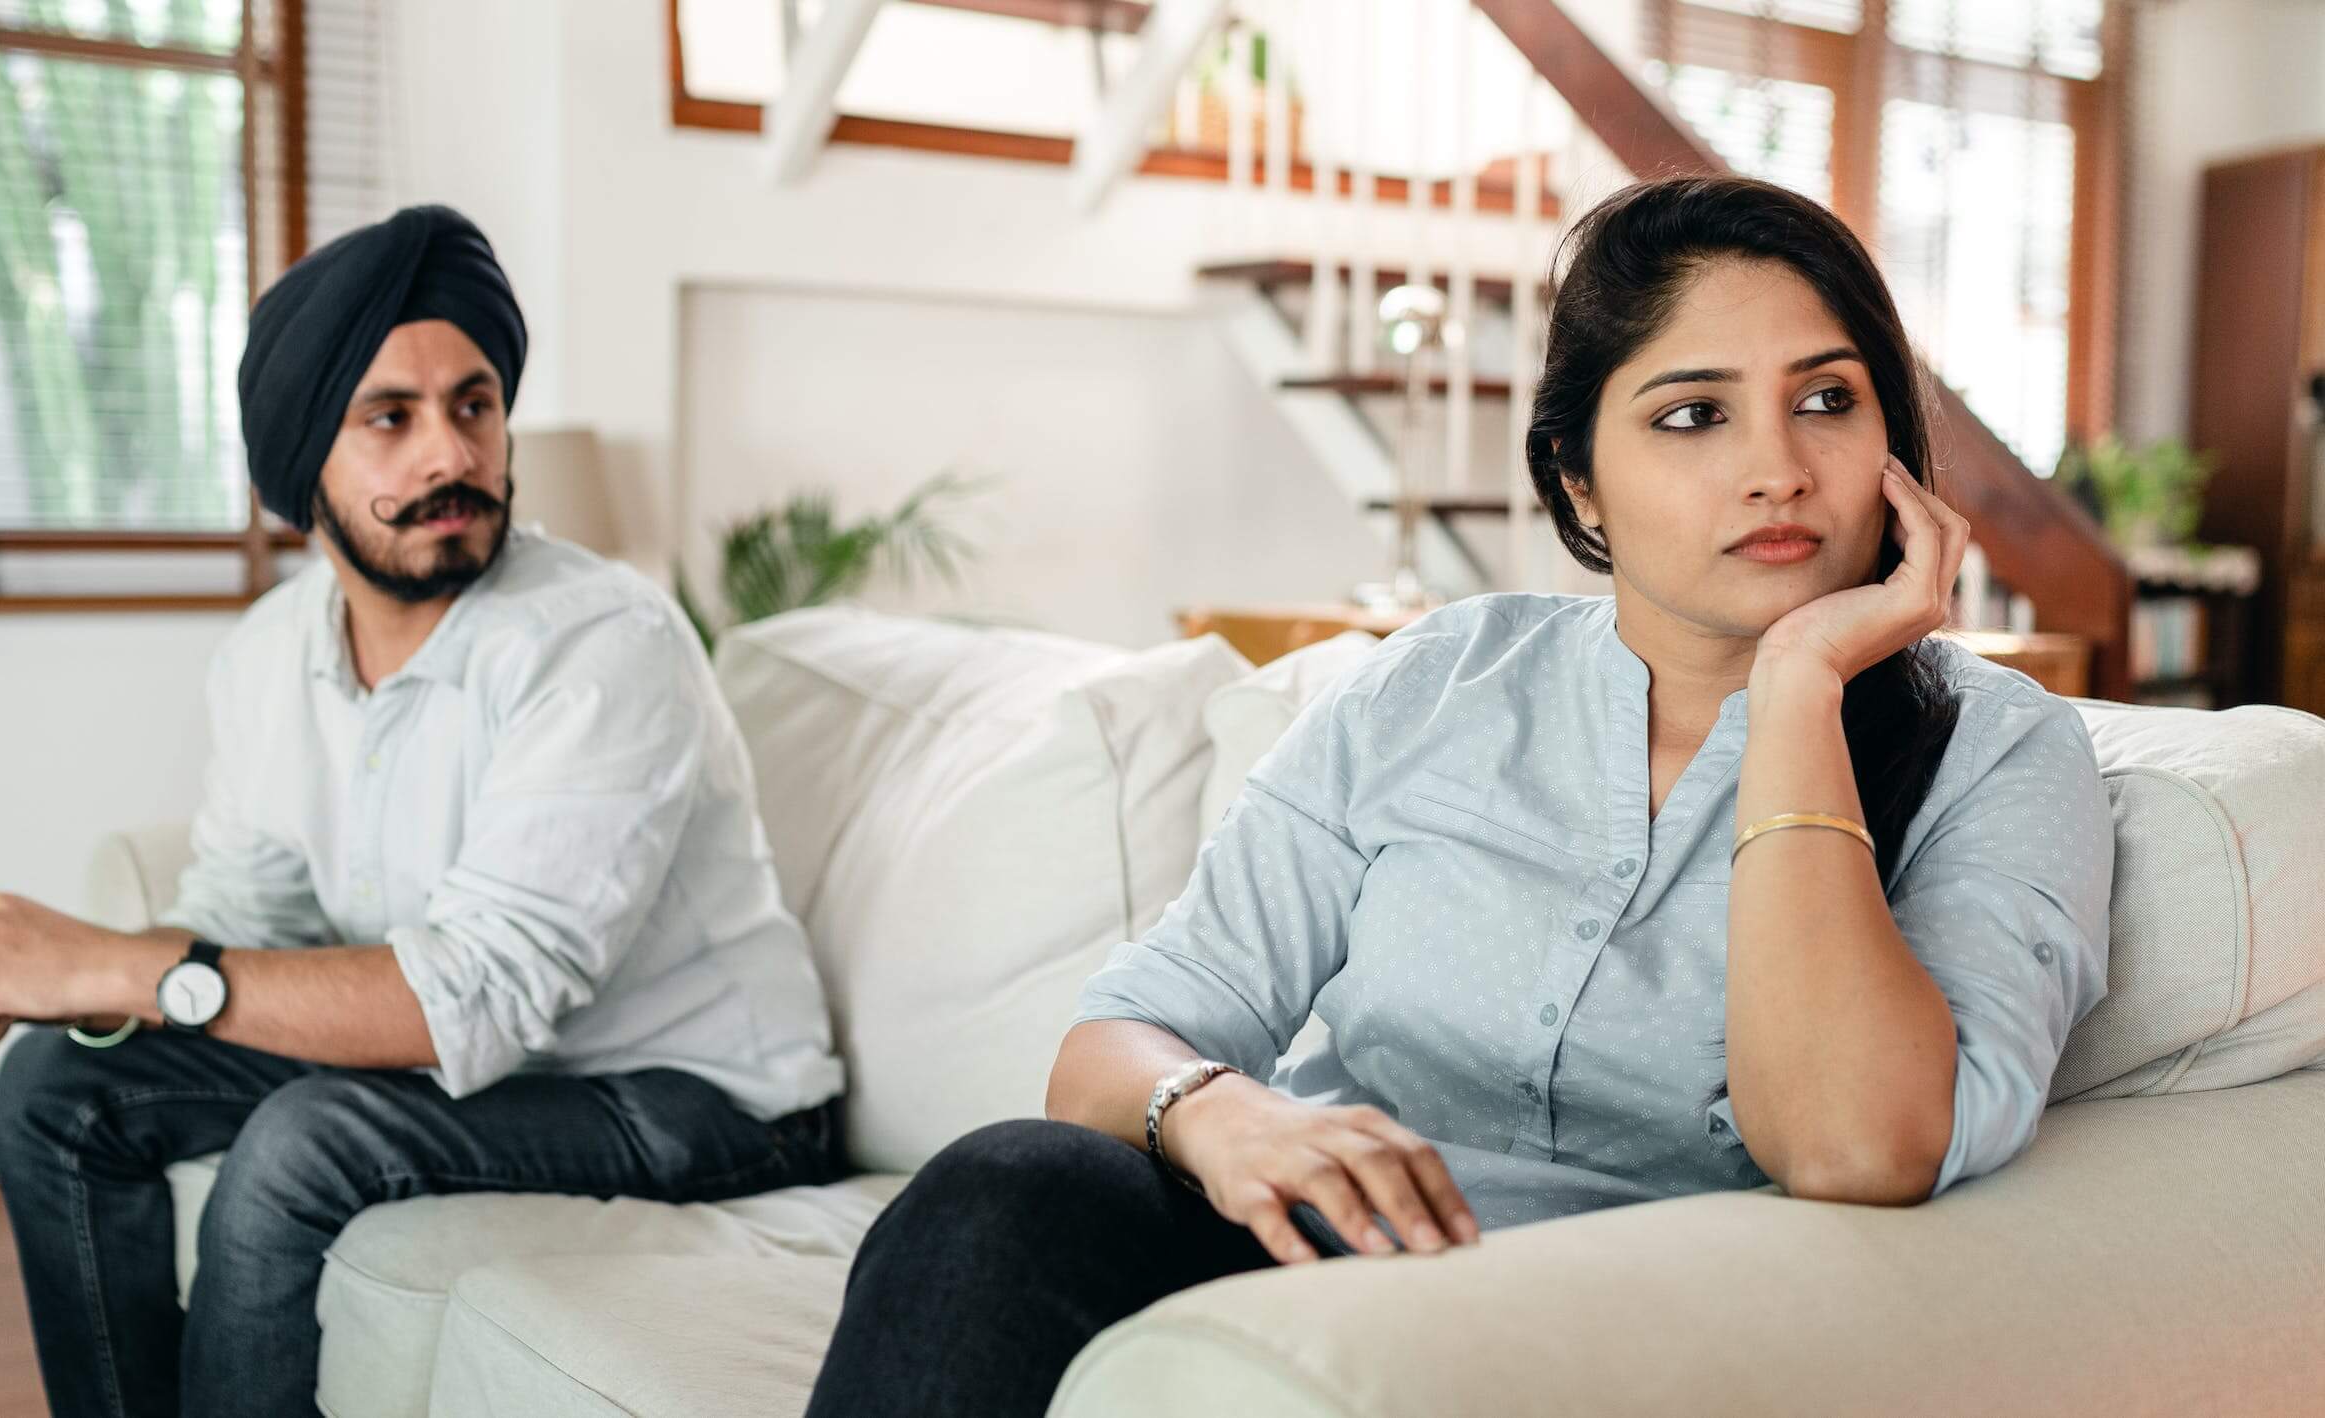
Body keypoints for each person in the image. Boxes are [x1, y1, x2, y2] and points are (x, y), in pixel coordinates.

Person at [800, 174, 2115, 1417]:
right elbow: (1114, 1045)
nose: (1776, 466)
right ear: (1578, 479)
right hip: (1298, 1282)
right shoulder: (1440, 681)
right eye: (1693, 413)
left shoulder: (1997, 754)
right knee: (1000, 1192)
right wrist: (1222, 1110)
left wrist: (1800, 687)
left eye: (1827, 400)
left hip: (1615, 1341)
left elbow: (1853, 1145)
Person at [0, 205, 848, 1418]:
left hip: (703, 1100)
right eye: (391, 417)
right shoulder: (272, 654)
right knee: (62, 1090)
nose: (451, 454)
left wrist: (133, 965)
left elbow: (477, 992)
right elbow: (246, 907)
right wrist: (23, 990)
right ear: (302, 470)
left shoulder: (602, 642)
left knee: (303, 1140)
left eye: (474, 405)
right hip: (498, 1068)